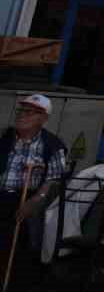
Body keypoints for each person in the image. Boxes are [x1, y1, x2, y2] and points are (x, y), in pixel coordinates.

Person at [0, 94, 67, 286]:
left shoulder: (53, 145)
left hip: (25, 200)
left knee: (17, 253)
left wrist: (38, 198)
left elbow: (55, 180)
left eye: (31, 112)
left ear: (43, 118)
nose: (23, 115)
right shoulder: (4, 137)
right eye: (21, 110)